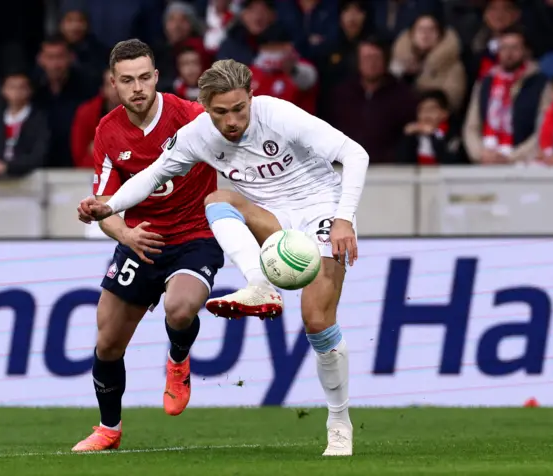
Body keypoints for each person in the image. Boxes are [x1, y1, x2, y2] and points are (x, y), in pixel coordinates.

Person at [78, 59, 369, 457]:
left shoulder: (278, 114)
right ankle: (259, 285)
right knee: (217, 200)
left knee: (317, 320)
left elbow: (356, 154)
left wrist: (343, 220)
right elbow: (153, 176)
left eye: (239, 109)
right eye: (221, 112)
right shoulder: (197, 134)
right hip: (270, 218)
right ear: (206, 107)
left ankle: (338, 422)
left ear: (251, 98)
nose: (232, 121)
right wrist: (109, 207)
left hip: (321, 209)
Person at [71, 39, 224, 453]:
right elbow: (106, 207)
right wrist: (124, 234)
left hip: (195, 235)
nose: (137, 87)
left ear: (156, 77)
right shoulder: (107, 130)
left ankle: (177, 359)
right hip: (140, 241)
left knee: (179, 308)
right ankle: (109, 429)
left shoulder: (189, 116)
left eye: (143, 77)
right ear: (113, 84)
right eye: (127, 80)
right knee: (107, 341)